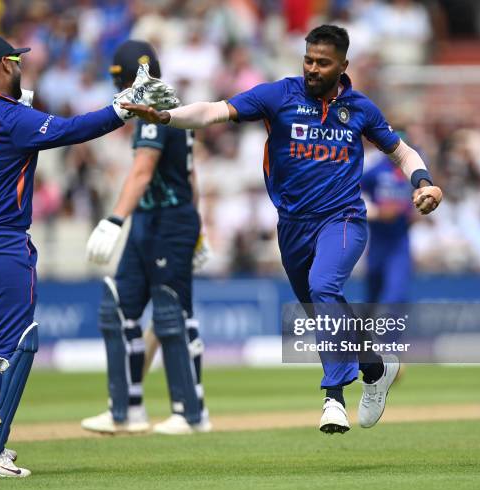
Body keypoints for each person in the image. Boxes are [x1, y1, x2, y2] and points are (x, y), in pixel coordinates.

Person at [122, 25, 443, 435]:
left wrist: (423, 181)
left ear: (342, 66)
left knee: (325, 287)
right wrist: (167, 116)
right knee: (320, 308)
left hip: (343, 219)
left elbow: (401, 151)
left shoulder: (360, 108)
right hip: (292, 226)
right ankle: (376, 368)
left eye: (322, 62)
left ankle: (333, 399)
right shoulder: (278, 95)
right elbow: (212, 111)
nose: (312, 68)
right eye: (308, 59)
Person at [0, 34, 175, 477]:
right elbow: (71, 131)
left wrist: (19, 107)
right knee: (14, 343)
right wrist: (123, 107)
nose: (22, 65)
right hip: (1, 243)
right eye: (17, 60)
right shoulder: (16, 121)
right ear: (5, 67)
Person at [82, 40, 210, 436]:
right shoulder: (167, 105)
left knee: (172, 314)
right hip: (154, 219)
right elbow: (190, 175)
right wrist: (199, 226)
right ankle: (126, 410)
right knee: (118, 309)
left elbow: (143, 168)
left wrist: (114, 220)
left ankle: (191, 413)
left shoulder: (155, 109)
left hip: (167, 221)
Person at [361, 132, 414, 303]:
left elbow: (422, 196)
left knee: (395, 295)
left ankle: (391, 330)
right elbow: (355, 192)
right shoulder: (376, 171)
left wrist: (413, 211)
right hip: (377, 239)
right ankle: (365, 329)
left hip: (399, 241)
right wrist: (377, 212)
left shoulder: (411, 172)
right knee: (373, 295)